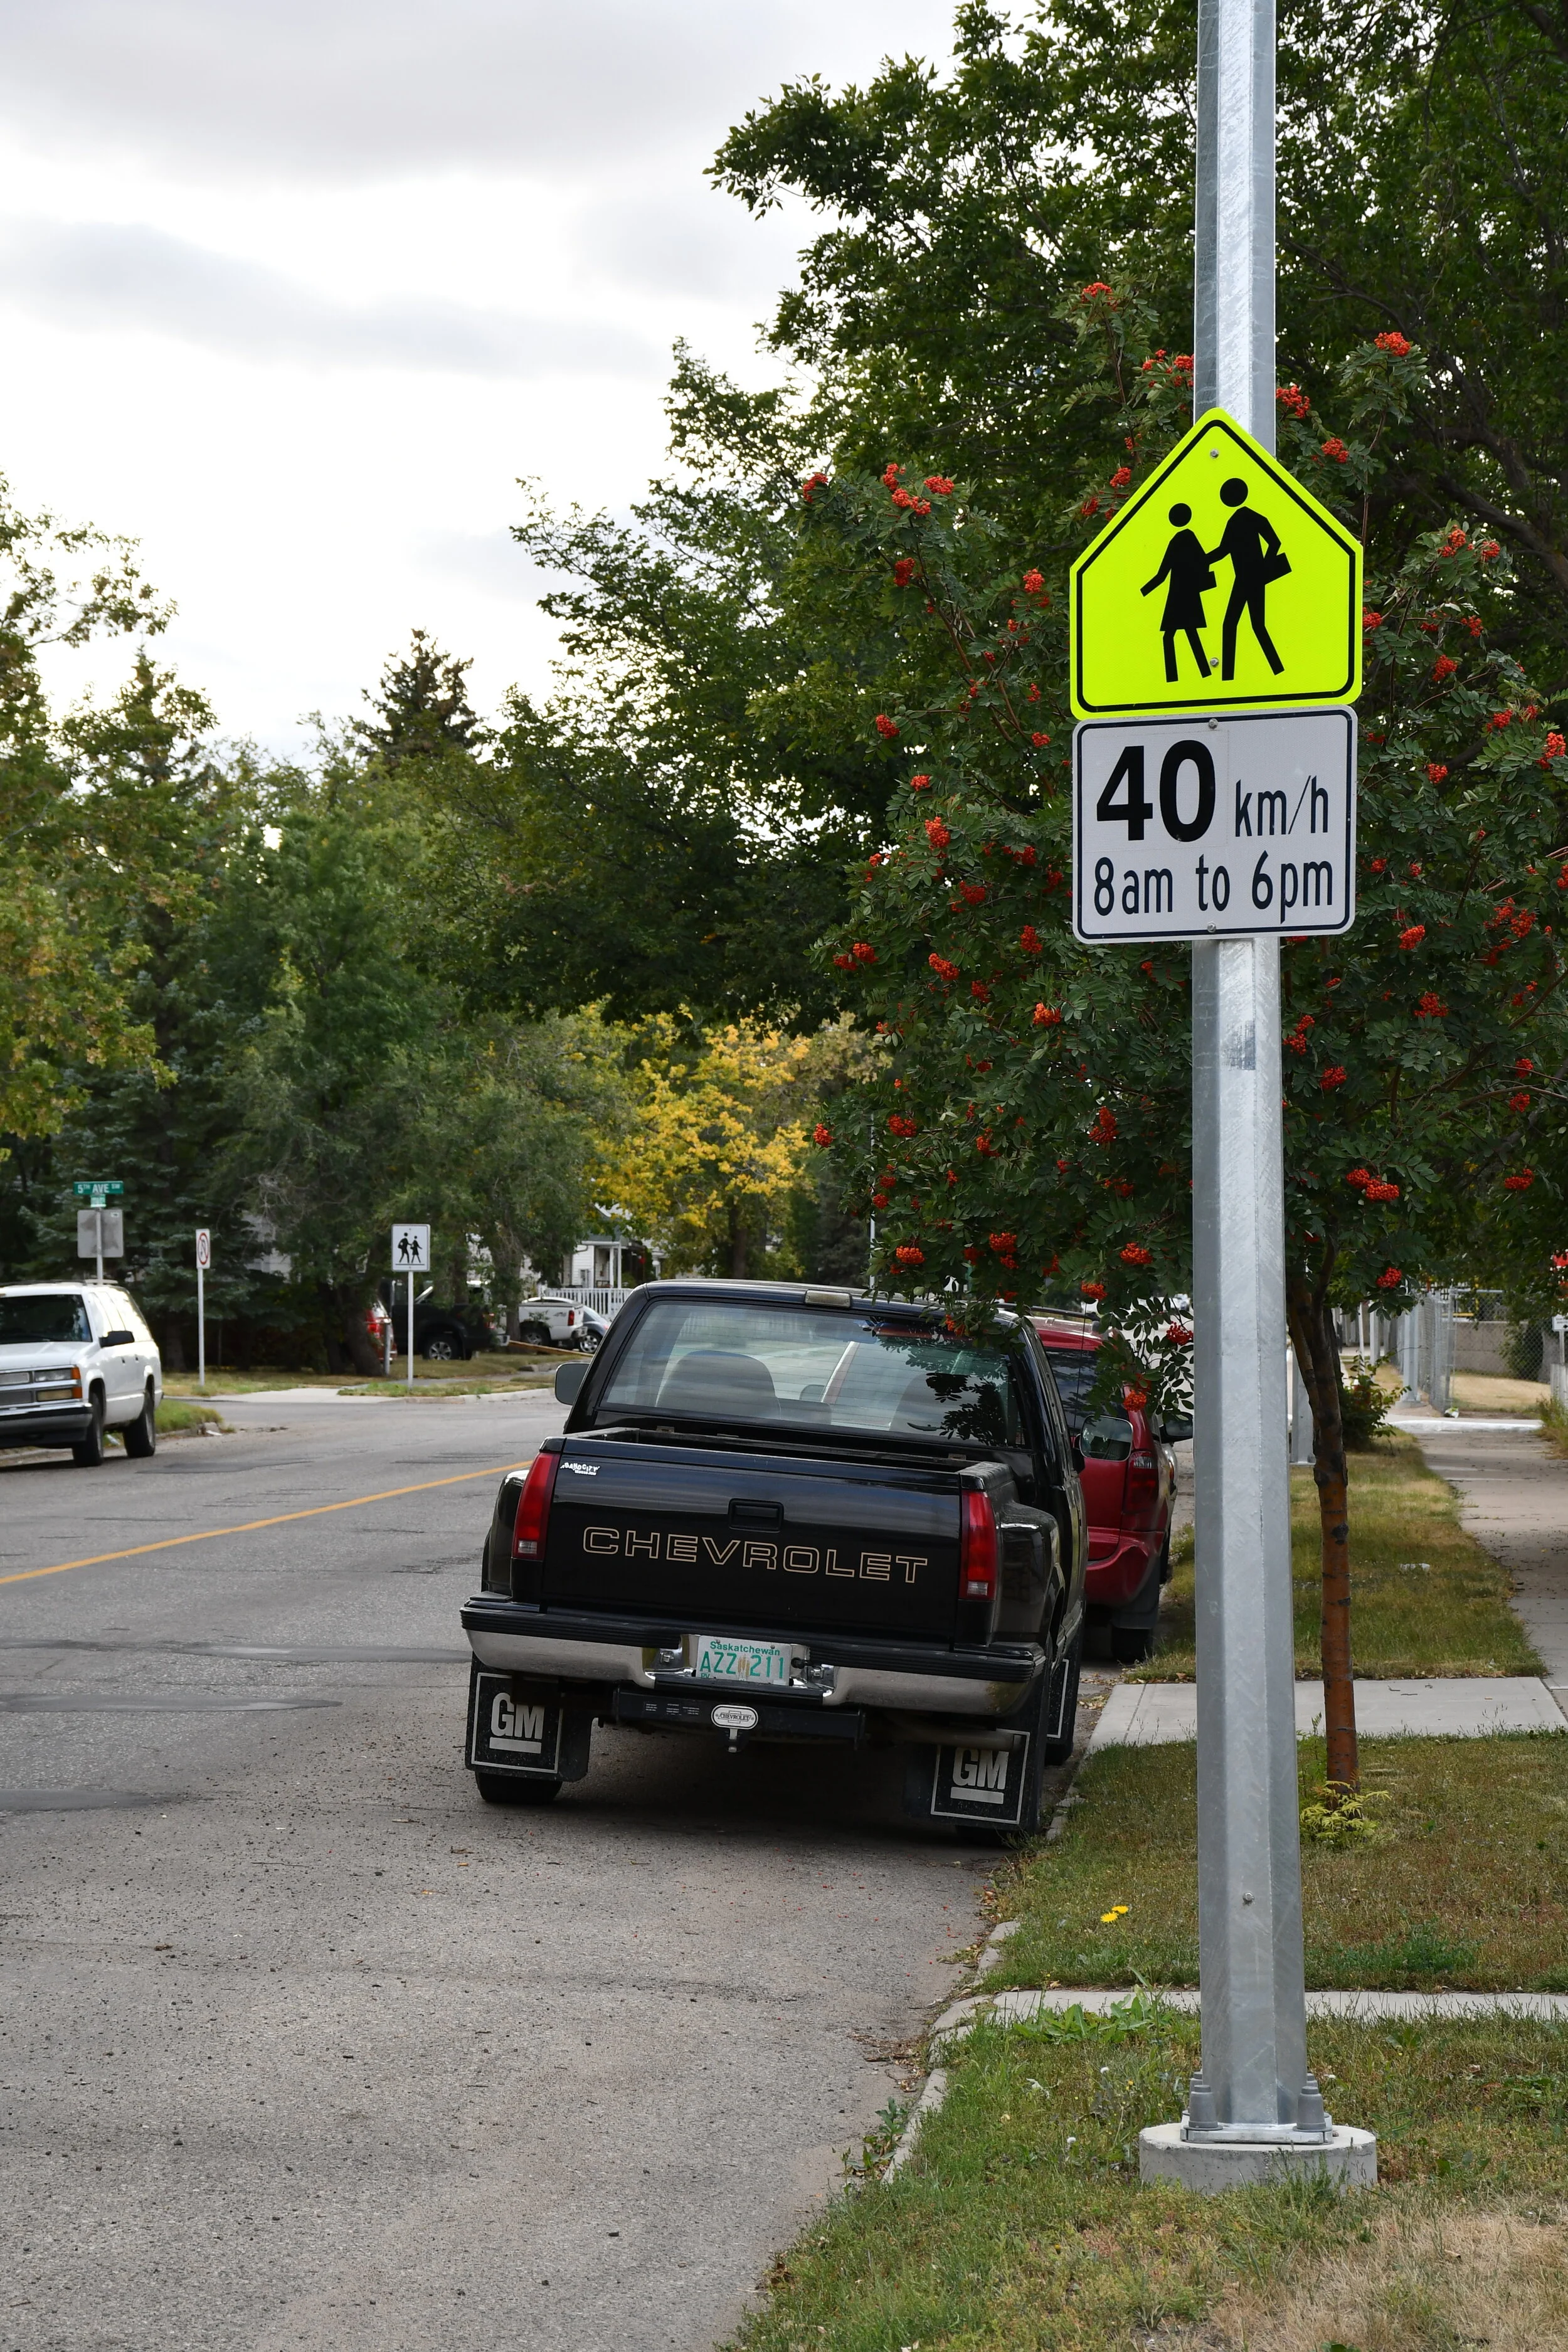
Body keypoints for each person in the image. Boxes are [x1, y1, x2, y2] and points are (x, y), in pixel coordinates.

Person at [1208, 476, 1288, 679]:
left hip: (1249, 578)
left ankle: (1230, 677)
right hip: (1248, 579)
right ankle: (1274, 670)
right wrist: (1201, 560)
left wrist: (1263, 568)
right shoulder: (1241, 519)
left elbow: (1274, 543)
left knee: (1238, 625)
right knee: (1250, 625)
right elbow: (1224, 550)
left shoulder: (1243, 519)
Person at [1140, 502, 1214, 682]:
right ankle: (1204, 673)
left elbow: (1162, 575)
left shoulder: (1177, 541)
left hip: (1178, 597)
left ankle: (1173, 678)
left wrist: (1143, 592)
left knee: (1171, 637)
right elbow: (1204, 561)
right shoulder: (1190, 537)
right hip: (1188, 595)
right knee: (1189, 633)